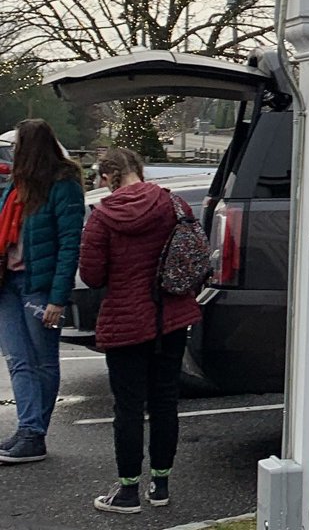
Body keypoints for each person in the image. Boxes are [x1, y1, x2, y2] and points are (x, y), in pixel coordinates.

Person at [79, 147, 202, 514]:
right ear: (140, 170)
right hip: (170, 316)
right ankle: (160, 486)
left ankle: (128, 491)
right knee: (165, 401)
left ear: (107, 177)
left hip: (125, 322)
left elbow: (92, 276)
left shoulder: (102, 218)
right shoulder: (174, 204)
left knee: (129, 408)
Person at [0, 118, 86, 466]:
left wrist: (57, 298)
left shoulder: (63, 187)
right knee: (18, 360)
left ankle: (33, 434)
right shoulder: (15, 186)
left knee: (43, 362)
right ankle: (28, 429)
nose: (13, 152)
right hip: (8, 284)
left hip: (39, 286)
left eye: (17, 146)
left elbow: (69, 245)